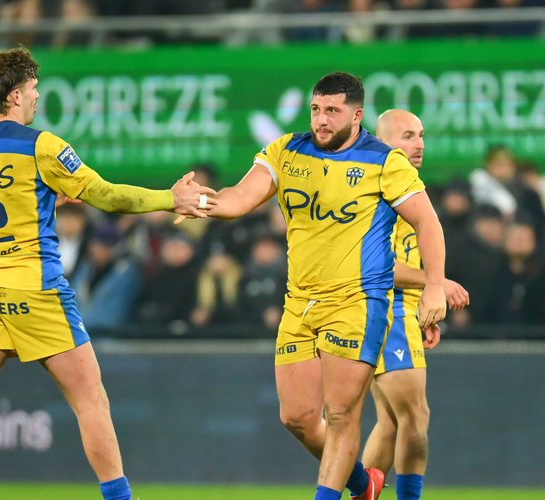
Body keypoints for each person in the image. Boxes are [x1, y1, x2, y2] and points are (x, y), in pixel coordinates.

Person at [0, 47, 215, 500]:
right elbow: (108, 196)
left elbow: (3, 203)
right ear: (15, 95)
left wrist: (45, 197)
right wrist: (169, 198)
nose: (37, 96)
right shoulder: (42, 146)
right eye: (33, 88)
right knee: (90, 399)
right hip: (34, 289)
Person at [185, 72, 447, 500]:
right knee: (297, 418)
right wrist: (199, 201)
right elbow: (238, 197)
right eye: (315, 109)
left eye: (332, 111)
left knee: (342, 416)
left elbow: (427, 222)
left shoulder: (384, 162)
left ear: (356, 115)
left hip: (357, 302)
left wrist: (434, 285)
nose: (321, 120)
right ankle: (364, 483)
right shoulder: (287, 150)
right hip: (300, 303)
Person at [359, 110, 470, 500]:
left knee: (391, 422)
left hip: (397, 310)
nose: (419, 144)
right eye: (407, 136)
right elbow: (376, 266)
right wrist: (436, 283)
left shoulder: (406, 187)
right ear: (383, 141)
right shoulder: (378, 189)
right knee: (416, 416)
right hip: (385, 311)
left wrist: (424, 301)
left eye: (421, 135)